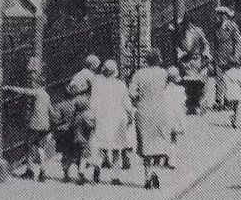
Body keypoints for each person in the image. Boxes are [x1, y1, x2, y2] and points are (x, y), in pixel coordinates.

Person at [2, 57, 55, 181]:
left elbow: (24, 91)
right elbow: (51, 111)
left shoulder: (37, 92)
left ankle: (30, 171)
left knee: (28, 146)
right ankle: (43, 172)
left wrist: (9, 88)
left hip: (34, 124)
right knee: (41, 148)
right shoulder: (46, 95)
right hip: (45, 124)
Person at [130, 49, 176, 188]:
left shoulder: (139, 74)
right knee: (159, 142)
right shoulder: (163, 73)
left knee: (145, 143)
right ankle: (155, 171)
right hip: (160, 111)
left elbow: (132, 93)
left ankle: (147, 174)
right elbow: (174, 78)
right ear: (158, 60)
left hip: (144, 111)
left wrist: (138, 99)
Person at [88, 57, 134, 183]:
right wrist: (130, 116)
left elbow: (93, 102)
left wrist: (92, 117)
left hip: (102, 117)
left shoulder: (98, 83)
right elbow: (127, 103)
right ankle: (115, 175)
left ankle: (97, 168)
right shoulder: (120, 85)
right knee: (116, 148)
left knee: (101, 145)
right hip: (116, 119)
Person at [178, 18, 213, 115]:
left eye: (186, 24)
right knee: (188, 84)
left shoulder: (198, 32)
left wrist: (206, 54)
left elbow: (205, 43)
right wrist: (180, 55)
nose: (185, 26)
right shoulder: (181, 33)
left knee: (199, 84)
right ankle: (191, 105)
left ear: (190, 24)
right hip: (187, 61)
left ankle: (198, 105)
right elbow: (179, 46)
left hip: (197, 61)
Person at [214, 6, 241, 109]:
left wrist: (236, 54)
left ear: (225, 16)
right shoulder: (216, 27)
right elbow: (214, 42)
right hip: (219, 55)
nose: (218, 17)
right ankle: (219, 101)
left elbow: (238, 40)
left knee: (230, 79)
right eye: (218, 15)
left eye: (220, 15)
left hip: (230, 56)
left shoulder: (232, 26)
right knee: (219, 79)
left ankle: (229, 101)